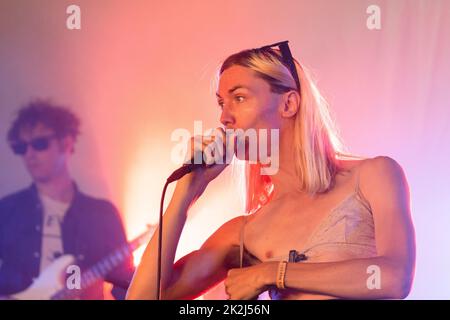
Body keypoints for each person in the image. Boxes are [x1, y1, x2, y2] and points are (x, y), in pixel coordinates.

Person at [126, 41, 416, 300]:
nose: (224, 117)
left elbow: (394, 278)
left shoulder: (374, 175)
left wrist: (271, 273)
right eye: (220, 103)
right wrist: (185, 194)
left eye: (239, 98)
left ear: (289, 103)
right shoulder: (243, 232)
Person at [0, 100, 135, 299]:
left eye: (39, 144)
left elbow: (126, 288)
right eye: (21, 147)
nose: (29, 154)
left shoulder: (102, 215)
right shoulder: (7, 211)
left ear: (66, 142)